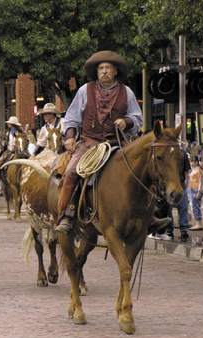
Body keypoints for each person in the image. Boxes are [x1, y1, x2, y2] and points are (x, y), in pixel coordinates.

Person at [56, 50, 143, 235]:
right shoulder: (84, 90)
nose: (104, 71)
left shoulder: (126, 92)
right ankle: (66, 215)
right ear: (97, 72)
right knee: (71, 172)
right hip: (89, 143)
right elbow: (71, 118)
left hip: (117, 143)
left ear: (115, 72)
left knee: (142, 169)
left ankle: (149, 215)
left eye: (108, 68)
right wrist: (70, 137)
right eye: (101, 68)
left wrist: (126, 121)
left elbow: (137, 119)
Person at [165, 145, 191, 242]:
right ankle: (169, 229)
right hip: (170, 184)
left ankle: (183, 229)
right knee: (169, 208)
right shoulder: (166, 154)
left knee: (183, 207)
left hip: (179, 183)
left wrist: (186, 181)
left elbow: (186, 170)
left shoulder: (183, 154)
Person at [188, 156, 203, 231]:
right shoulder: (194, 170)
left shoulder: (198, 170)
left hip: (196, 189)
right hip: (193, 189)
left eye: (192, 161)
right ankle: (198, 222)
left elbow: (200, 181)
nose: (191, 163)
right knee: (195, 206)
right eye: (190, 162)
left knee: (196, 206)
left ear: (196, 162)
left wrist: (199, 191)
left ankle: (199, 223)